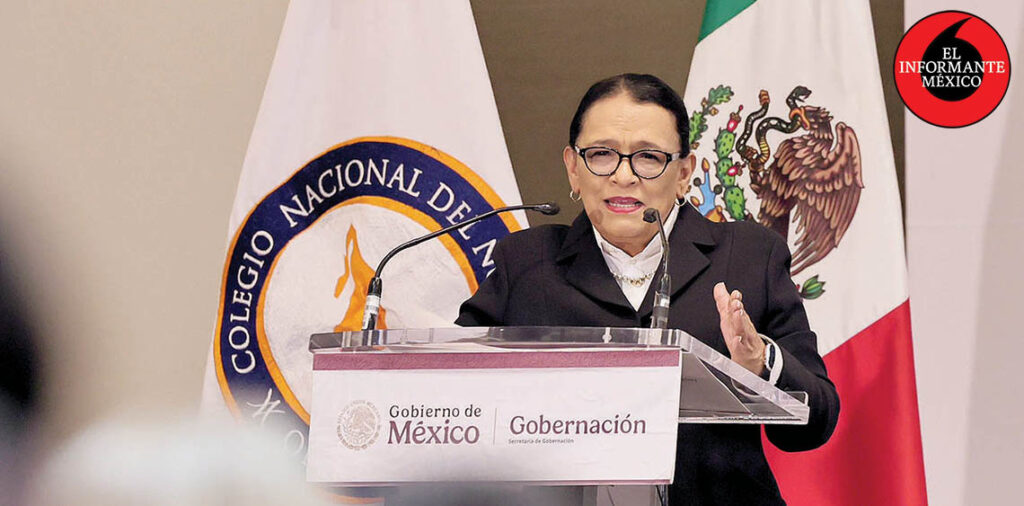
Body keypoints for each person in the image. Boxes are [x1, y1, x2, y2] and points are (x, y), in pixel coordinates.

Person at [456, 73, 840, 505]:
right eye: (602, 154)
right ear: (573, 168)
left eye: (648, 157)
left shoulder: (750, 256)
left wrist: (760, 364)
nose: (623, 176)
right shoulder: (527, 263)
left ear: (684, 173)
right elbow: (453, 398)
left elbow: (815, 423)